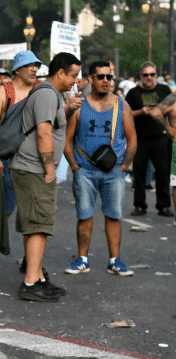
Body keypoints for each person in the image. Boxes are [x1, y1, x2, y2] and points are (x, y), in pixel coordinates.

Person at [9, 52, 81, 302]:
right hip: (34, 169)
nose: (76, 81)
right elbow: (43, 132)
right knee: (39, 226)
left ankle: (37, 277)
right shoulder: (47, 94)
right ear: (60, 73)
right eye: (73, 75)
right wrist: (50, 169)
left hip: (30, 168)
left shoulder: (49, 94)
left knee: (34, 226)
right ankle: (30, 283)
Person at [62, 61, 138, 277]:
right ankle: (82, 259)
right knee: (84, 215)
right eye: (101, 76)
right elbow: (67, 140)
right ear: (91, 79)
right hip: (85, 171)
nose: (106, 80)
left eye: (109, 77)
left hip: (114, 172)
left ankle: (115, 260)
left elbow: (132, 139)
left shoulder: (121, 105)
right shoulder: (80, 105)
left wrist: (124, 166)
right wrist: (75, 167)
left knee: (113, 215)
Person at [0, 52, 43, 277]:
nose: (34, 69)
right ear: (17, 69)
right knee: (3, 211)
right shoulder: (3, 92)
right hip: (7, 158)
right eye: (29, 65)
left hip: (33, 160)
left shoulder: (40, 90)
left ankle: (30, 261)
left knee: (31, 214)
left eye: (36, 65)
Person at [125, 62, 173, 217]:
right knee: (139, 173)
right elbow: (125, 114)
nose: (149, 77)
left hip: (161, 137)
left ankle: (163, 206)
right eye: (145, 75)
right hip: (140, 138)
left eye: (152, 74)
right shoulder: (133, 93)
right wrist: (141, 111)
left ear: (156, 76)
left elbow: (172, 110)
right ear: (140, 77)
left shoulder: (164, 90)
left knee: (163, 173)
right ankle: (140, 206)